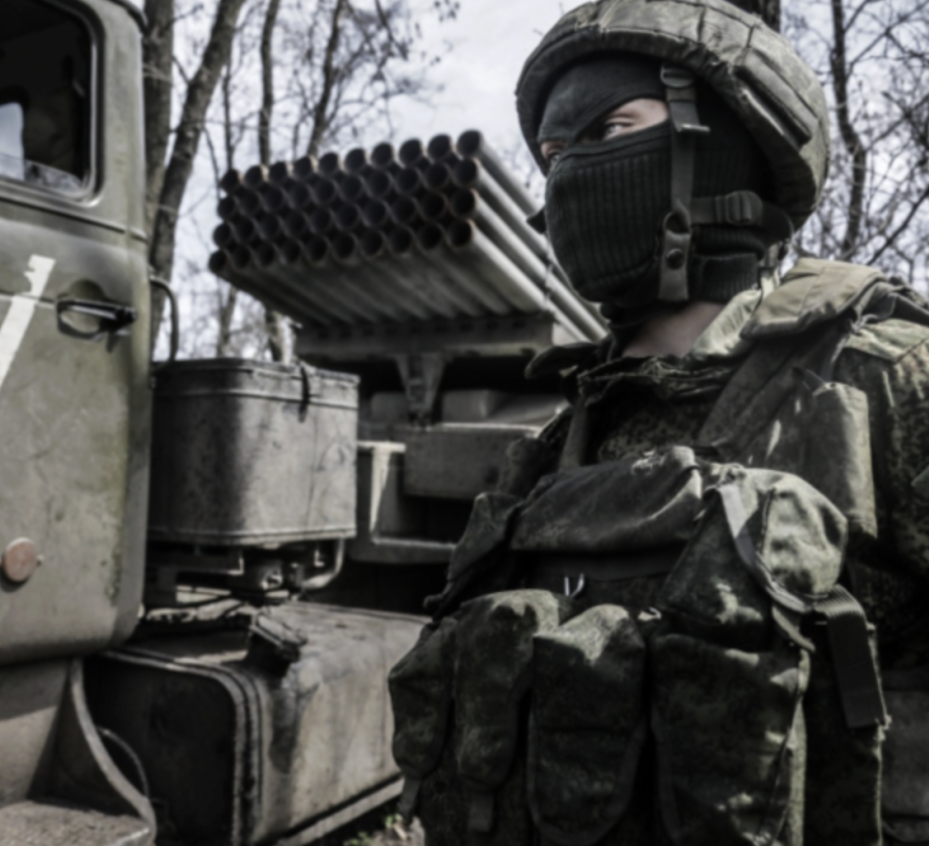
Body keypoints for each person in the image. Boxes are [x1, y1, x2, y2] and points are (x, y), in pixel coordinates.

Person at [387, 0, 929, 844]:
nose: (571, 174)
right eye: (554, 156)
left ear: (725, 142)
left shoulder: (880, 382)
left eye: (611, 130)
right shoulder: (557, 444)